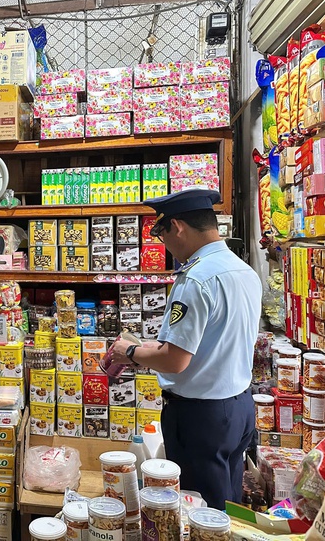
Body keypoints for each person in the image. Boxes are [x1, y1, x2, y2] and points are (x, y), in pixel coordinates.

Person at [107, 189, 262, 509]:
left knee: (200, 509)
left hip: (201, 416)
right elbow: (216, 339)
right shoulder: (243, 270)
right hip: (240, 408)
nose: (165, 246)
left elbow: (175, 361)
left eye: (162, 235)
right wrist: (154, 347)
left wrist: (130, 353)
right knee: (228, 504)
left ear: (177, 227)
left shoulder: (196, 278)